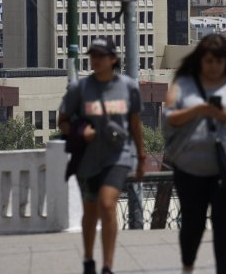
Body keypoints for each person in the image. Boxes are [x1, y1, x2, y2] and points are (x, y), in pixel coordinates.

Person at [163, 34, 226, 274]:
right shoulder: (183, 83)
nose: (214, 66)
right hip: (189, 167)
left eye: (219, 61)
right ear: (199, 61)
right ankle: (188, 266)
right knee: (193, 224)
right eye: (209, 61)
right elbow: (169, 118)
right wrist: (198, 110)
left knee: (224, 224)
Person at [59, 37, 146, 274]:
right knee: (90, 210)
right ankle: (88, 259)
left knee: (107, 204)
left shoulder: (128, 87)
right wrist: (79, 130)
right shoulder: (81, 88)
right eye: (93, 56)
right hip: (87, 158)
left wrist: (141, 156)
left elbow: (135, 123)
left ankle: (107, 266)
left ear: (113, 59)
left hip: (118, 155)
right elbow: (63, 121)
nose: (95, 60)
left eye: (101, 56)